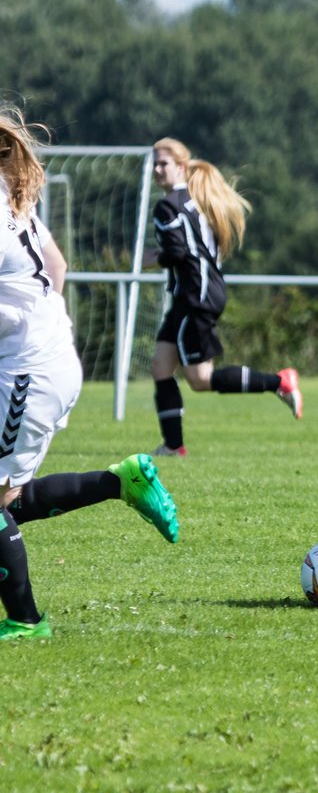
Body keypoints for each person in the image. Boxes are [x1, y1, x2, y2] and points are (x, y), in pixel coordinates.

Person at [0, 106, 180, 642]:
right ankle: (120, 481)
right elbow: (56, 268)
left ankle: (26, 621)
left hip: (30, 371)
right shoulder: (12, 197)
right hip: (43, 359)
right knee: (11, 498)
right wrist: (36, 325)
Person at [146, 137, 302, 457]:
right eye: (155, 163)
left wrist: (150, 258)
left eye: (164, 163)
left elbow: (177, 252)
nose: (157, 169)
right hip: (195, 295)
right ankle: (174, 446)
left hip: (195, 297)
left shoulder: (167, 206)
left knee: (200, 379)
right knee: (161, 366)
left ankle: (279, 382)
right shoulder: (196, 200)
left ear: (182, 167)